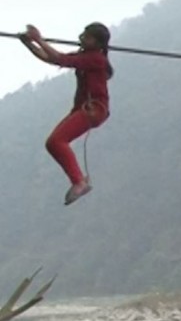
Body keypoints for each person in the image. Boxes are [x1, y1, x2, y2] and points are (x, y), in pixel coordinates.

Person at [19, 23, 113, 205]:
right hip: (84, 110)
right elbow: (52, 59)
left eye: (87, 36)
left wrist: (39, 39)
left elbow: (60, 58)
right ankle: (78, 180)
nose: (82, 38)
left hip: (93, 110)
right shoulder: (87, 56)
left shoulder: (96, 59)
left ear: (97, 42)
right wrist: (30, 45)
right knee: (52, 143)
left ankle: (79, 181)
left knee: (56, 141)